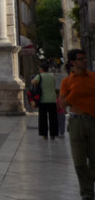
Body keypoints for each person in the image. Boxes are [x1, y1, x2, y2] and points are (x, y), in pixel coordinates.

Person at [60, 49, 95, 200]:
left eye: (85, 59)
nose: (84, 61)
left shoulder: (93, 78)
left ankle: (88, 183)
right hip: (76, 122)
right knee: (79, 162)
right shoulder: (67, 82)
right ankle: (87, 194)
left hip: (93, 121)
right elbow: (62, 104)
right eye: (81, 59)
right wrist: (73, 94)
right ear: (73, 62)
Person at [33, 62, 58, 139]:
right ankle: (53, 134)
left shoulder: (39, 76)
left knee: (43, 118)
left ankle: (44, 134)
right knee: (53, 118)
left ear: (41, 69)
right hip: (52, 99)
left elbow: (34, 82)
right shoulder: (52, 76)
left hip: (43, 99)